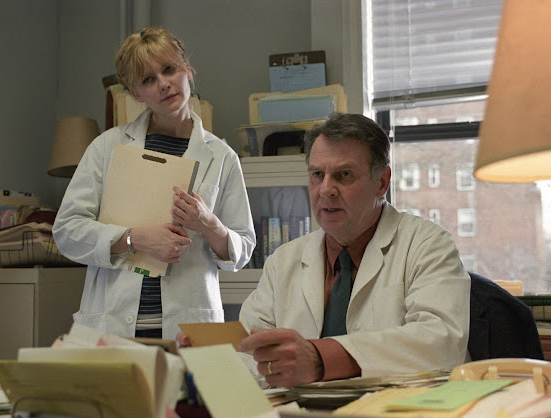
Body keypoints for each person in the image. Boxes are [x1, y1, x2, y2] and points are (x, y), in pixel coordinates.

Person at [235, 112, 470, 388]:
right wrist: (210, 364)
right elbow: (248, 350)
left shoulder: (427, 245)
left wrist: (322, 359)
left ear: (382, 183)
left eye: (343, 175)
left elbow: (441, 343)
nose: (326, 190)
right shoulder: (283, 261)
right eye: (317, 175)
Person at [53, 27, 255, 340]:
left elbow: (242, 250)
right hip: (114, 325)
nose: (163, 84)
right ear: (136, 94)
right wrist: (134, 239)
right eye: (148, 80)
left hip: (188, 327)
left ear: (187, 69)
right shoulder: (108, 147)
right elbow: (67, 232)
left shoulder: (221, 156)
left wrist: (209, 224)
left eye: (169, 69)